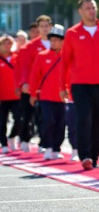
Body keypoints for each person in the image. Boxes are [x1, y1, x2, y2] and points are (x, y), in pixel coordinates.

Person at [60, 0, 99, 170]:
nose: (91, 11)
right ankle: (84, 155)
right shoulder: (72, 33)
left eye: (93, 7)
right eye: (87, 8)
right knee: (84, 117)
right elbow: (65, 62)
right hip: (79, 84)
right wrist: (62, 87)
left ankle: (94, 156)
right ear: (80, 11)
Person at [28, 24, 66, 160]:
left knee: (61, 124)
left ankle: (56, 148)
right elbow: (34, 76)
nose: (54, 42)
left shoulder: (67, 56)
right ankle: (48, 147)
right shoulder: (42, 56)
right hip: (45, 96)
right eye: (52, 40)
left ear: (62, 41)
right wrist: (33, 94)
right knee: (48, 121)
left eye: (57, 40)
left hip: (63, 97)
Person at [16, 15, 53, 152]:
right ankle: (24, 138)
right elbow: (25, 66)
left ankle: (44, 143)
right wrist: (25, 83)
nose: (44, 29)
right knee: (27, 114)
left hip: (49, 86)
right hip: (32, 86)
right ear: (38, 28)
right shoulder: (30, 46)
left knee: (44, 116)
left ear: (50, 27)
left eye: (46, 26)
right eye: (41, 26)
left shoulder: (56, 42)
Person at [0, 34, 21, 154]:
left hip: (15, 95)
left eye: (9, 43)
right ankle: (3, 143)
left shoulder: (17, 57)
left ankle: (12, 136)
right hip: (2, 97)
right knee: (2, 121)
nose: (7, 45)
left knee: (20, 119)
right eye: (4, 43)